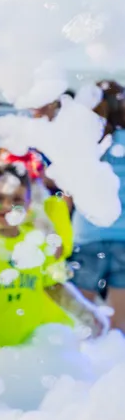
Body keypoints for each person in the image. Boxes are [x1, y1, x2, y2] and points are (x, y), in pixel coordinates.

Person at [0, 162, 107, 349]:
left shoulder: (37, 242)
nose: (7, 206)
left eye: (16, 200)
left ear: (30, 205)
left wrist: (86, 314)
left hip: (28, 347)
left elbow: (54, 285)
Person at [70, 80, 125, 332]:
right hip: (123, 237)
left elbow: (68, 188)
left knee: (81, 320)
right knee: (118, 327)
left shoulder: (86, 143)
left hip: (87, 234)